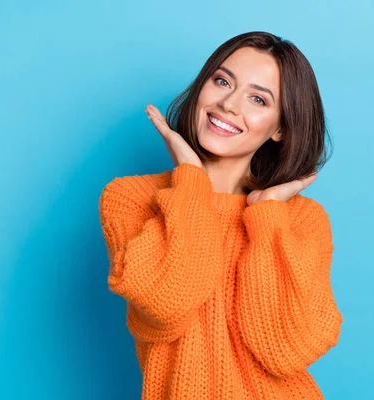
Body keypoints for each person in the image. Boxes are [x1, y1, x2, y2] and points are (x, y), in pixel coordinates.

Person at [99, 31, 343, 399]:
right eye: (222, 80)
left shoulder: (300, 219)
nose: (229, 104)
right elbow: (167, 307)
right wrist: (191, 183)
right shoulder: (131, 198)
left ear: (280, 128)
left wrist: (266, 218)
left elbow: (286, 349)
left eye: (258, 99)